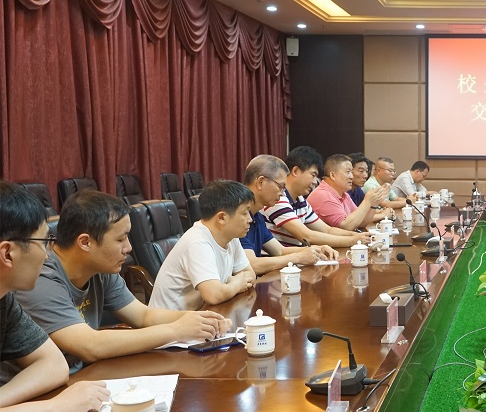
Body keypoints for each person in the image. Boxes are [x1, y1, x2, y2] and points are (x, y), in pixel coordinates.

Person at [14, 190, 229, 372]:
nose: (129, 247)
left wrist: (201, 320)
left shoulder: (100, 268)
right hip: (48, 391)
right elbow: (90, 346)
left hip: (85, 375)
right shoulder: (41, 278)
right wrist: (176, 330)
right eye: (120, 239)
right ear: (85, 242)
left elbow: (143, 316)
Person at [0, 182, 110, 412]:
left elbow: (54, 364)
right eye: (43, 242)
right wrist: (55, 407)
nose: (48, 255)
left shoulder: (4, 300)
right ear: (7, 253)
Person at [149, 180, 257, 311]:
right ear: (222, 218)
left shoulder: (230, 236)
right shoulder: (198, 242)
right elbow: (214, 295)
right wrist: (237, 284)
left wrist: (231, 286)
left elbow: (250, 274)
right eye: (245, 213)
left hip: (203, 313)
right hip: (171, 320)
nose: (250, 219)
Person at [241, 154, 338, 275]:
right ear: (260, 182)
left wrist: (316, 250)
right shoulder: (238, 214)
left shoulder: (257, 215)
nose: (283, 194)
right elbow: (251, 265)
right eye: (280, 187)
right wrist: (298, 258)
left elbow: (280, 251)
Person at [262, 146, 370, 248]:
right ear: (295, 171)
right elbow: (307, 236)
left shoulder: (301, 200)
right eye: (313, 175)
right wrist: (352, 240)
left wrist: (356, 236)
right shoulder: (277, 199)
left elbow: (327, 230)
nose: (315, 182)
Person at [308, 153, 391, 230]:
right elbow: (346, 226)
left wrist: (374, 203)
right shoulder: (323, 195)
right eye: (348, 172)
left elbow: (361, 222)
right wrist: (367, 201)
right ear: (333, 175)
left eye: (351, 172)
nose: (351, 176)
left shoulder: (343, 193)